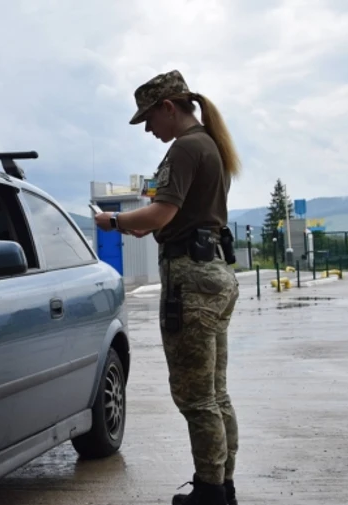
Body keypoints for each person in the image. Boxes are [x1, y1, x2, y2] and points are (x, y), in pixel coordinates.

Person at [94, 69, 241, 505]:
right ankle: (222, 485)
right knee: (215, 394)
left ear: (168, 108)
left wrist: (115, 221)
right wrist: (147, 223)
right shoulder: (211, 146)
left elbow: (159, 215)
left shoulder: (185, 149)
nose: (150, 131)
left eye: (149, 120)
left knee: (196, 398)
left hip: (191, 281)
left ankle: (210, 492)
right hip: (214, 272)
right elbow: (172, 215)